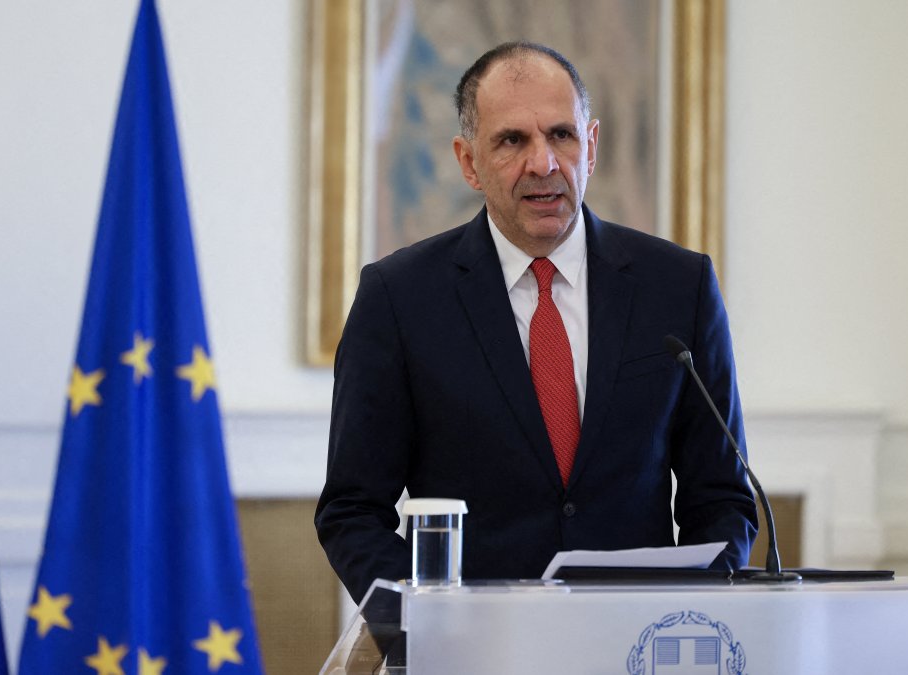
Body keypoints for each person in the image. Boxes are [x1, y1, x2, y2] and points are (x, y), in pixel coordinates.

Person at [315, 41, 757, 604]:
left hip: (638, 636)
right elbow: (353, 510)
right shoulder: (399, 298)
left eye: (561, 135)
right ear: (469, 162)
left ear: (590, 147)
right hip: (472, 641)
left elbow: (722, 499)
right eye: (512, 140)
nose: (543, 163)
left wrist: (687, 614)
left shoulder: (678, 286)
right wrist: (425, 623)